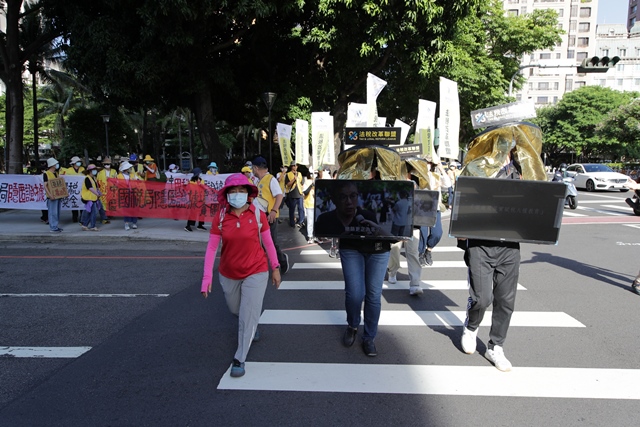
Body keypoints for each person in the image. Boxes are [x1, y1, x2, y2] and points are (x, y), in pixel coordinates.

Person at [201, 173, 282, 378]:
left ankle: (240, 357)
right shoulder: (221, 217)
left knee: (247, 314)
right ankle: (251, 324)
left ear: (248, 193)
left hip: (256, 270)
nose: (237, 194)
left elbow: (268, 243)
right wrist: (206, 278)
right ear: (227, 195)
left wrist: (275, 267)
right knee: (236, 309)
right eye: (233, 191)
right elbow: (211, 248)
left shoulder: (258, 214)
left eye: (241, 190)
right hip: (229, 272)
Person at [460, 144, 522, 372]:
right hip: (480, 243)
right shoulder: (477, 167)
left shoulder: (522, 169)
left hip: (510, 244)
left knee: (505, 300)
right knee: (482, 298)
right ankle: (471, 325)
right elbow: (463, 198)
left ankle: (496, 346)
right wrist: (461, 230)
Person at [318, 179, 391, 357]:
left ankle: (369, 337)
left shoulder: (369, 215)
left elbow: (394, 237)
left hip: (378, 251)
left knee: (373, 295)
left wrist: (377, 231)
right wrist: (341, 235)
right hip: (350, 248)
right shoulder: (325, 219)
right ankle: (352, 325)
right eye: (343, 197)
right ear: (334, 199)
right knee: (355, 294)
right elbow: (320, 234)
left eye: (353, 196)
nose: (349, 202)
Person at [251, 156, 289, 274]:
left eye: (252, 168)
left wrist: (273, 211)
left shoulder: (271, 179)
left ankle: (282, 260)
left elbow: (279, 196)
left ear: (256, 168)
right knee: (259, 243)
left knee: (271, 242)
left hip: (269, 216)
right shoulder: (257, 180)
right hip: (258, 217)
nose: (252, 170)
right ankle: (260, 266)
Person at [419, 159, 451, 267]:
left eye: (430, 163)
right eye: (426, 162)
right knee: (422, 233)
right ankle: (420, 253)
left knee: (437, 233)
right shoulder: (418, 175)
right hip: (422, 209)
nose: (428, 165)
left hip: (434, 208)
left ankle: (428, 250)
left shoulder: (436, 175)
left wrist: (441, 167)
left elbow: (448, 183)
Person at [116, 161, 141, 230]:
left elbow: (138, 180)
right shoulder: (119, 176)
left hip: (133, 193)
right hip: (124, 194)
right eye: (128, 168)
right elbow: (117, 184)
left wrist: (137, 180)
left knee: (134, 208)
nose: (130, 169)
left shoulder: (133, 175)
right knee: (126, 209)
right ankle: (126, 223)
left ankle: (134, 223)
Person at [61, 155, 85, 223]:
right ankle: (75, 217)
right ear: (74, 163)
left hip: (81, 189)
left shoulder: (82, 169)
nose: (79, 163)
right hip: (73, 190)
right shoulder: (69, 170)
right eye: (77, 162)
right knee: (74, 203)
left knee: (81, 203)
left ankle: (82, 218)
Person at [42, 157, 63, 233]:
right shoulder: (46, 174)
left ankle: (55, 226)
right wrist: (50, 195)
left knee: (57, 212)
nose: (57, 165)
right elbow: (45, 185)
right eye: (56, 164)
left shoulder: (56, 173)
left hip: (57, 195)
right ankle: (53, 227)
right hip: (52, 196)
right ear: (52, 165)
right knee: (53, 213)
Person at [80, 164, 101, 231]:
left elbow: (95, 187)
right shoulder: (87, 178)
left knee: (90, 212)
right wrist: (97, 194)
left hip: (92, 198)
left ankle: (85, 225)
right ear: (90, 171)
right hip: (89, 198)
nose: (95, 171)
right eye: (94, 170)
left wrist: (98, 192)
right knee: (93, 213)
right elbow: (90, 188)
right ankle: (92, 226)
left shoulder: (93, 178)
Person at [96, 156, 117, 224]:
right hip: (103, 190)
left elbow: (117, 180)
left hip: (112, 189)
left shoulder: (114, 171)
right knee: (104, 203)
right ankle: (105, 216)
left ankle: (110, 214)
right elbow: (98, 182)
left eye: (108, 164)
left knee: (111, 202)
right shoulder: (100, 173)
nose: (107, 165)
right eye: (105, 164)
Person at [285, 163, 305, 227]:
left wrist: (303, 191)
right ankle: (292, 222)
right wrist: (294, 179)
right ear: (291, 166)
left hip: (299, 193)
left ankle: (301, 221)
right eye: (293, 166)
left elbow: (302, 183)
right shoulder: (288, 174)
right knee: (292, 209)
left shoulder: (300, 174)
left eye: (296, 166)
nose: (295, 167)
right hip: (292, 194)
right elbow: (287, 184)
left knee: (301, 208)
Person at [302, 170, 316, 244]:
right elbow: (305, 192)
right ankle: (310, 236)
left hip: (317, 205)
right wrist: (311, 185)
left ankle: (316, 236)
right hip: (309, 204)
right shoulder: (306, 182)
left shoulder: (317, 181)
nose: (313, 175)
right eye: (312, 173)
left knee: (316, 221)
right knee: (310, 221)